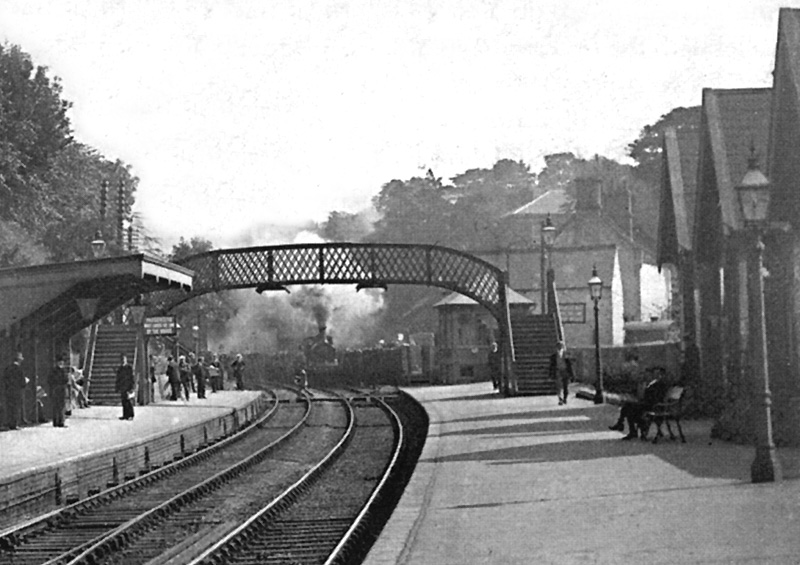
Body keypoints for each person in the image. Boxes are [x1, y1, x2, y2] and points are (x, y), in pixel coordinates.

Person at [609, 369, 671, 440]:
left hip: (653, 406)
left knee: (628, 407)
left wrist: (646, 396)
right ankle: (624, 426)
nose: (656, 375)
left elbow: (657, 397)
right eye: (656, 373)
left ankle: (623, 426)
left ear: (663, 375)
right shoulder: (654, 383)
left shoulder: (661, 384)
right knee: (628, 407)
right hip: (647, 404)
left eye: (659, 374)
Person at [3, 351, 26, 429]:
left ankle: (10, 423)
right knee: (16, 408)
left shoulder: (8, 368)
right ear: (19, 360)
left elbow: (4, 379)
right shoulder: (19, 370)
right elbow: (23, 382)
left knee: (10, 407)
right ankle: (15, 424)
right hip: (17, 391)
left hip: (9, 391)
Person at [548, 341, 575, 405]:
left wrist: (572, 374)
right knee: (558, 385)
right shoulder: (554, 356)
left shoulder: (566, 355)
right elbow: (551, 366)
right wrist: (550, 374)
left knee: (565, 386)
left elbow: (570, 365)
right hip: (558, 371)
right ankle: (560, 398)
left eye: (561, 346)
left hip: (565, 371)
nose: (559, 348)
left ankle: (565, 398)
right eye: (558, 346)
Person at [47, 354, 69, 427]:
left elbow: (49, 380)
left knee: (56, 406)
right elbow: (66, 380)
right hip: (60, 389)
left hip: (55, 389)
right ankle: (60, 421)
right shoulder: (62, 371)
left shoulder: (53, 371)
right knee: (60, 406)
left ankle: (56, 421)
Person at [115, 354, 135, 420]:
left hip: (128, 386)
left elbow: (132, 378)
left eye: (124, 359)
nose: (123, 361)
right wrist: (117, 387)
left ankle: (131, 415)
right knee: (124, 401)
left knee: (128, 401)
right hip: (122, 387)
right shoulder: (120, 369)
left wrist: (132, 387)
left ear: (126, 360)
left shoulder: (129, 368)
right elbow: (118, 378)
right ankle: (125, 415)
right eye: (122, 360)